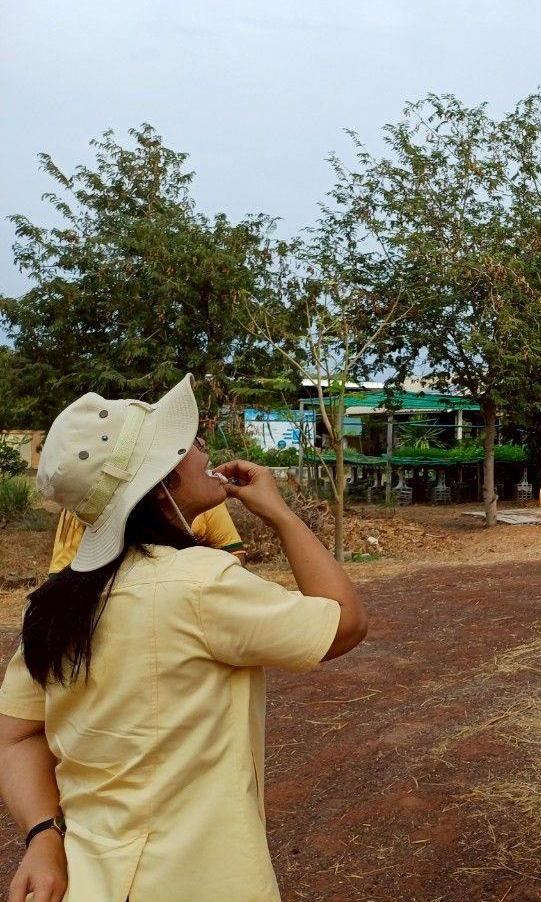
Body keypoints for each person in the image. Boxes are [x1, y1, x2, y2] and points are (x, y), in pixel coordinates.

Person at [0, 374, 368, 902]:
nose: (203, 450)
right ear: (163, 480)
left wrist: (42, 835)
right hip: (200, 880)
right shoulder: (200, 583)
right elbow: (345, 621)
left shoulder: (58, 602)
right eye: (190, 443)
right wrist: (281, 513)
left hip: (87, 878)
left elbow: (15, 734)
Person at [48, 499, 246, 574]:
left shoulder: (209, 502)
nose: (201, 446)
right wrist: (277, 516)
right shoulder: (82, 509)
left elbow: (234, 554)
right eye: (192, 444)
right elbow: (61, 575)